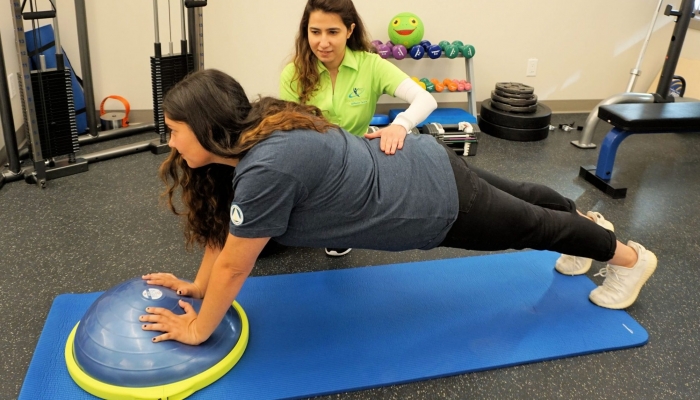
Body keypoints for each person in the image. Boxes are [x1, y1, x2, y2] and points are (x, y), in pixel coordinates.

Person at [140, 69, 657, 346]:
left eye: (175, 130)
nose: (170, 141)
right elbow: (223, 237)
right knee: (526, 197)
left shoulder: (264, 168)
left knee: (536, 226)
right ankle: (586, 225)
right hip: (421, 159)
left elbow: (236, 261)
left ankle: (630, 261)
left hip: (432, 202)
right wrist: (197, 287)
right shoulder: (259, 126)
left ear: (209, 129)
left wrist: (197, 326)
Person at [279, 0, 438, 257]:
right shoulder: (293, 74)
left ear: (349, 31)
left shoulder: (371, 65)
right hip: (313, 157)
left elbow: (426, 99)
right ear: (305, 30)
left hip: (356, 161)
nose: (323, 43)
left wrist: (400, 126)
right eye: (315, 32)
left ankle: (343, 220)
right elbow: (291, 132)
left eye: (333, 32)